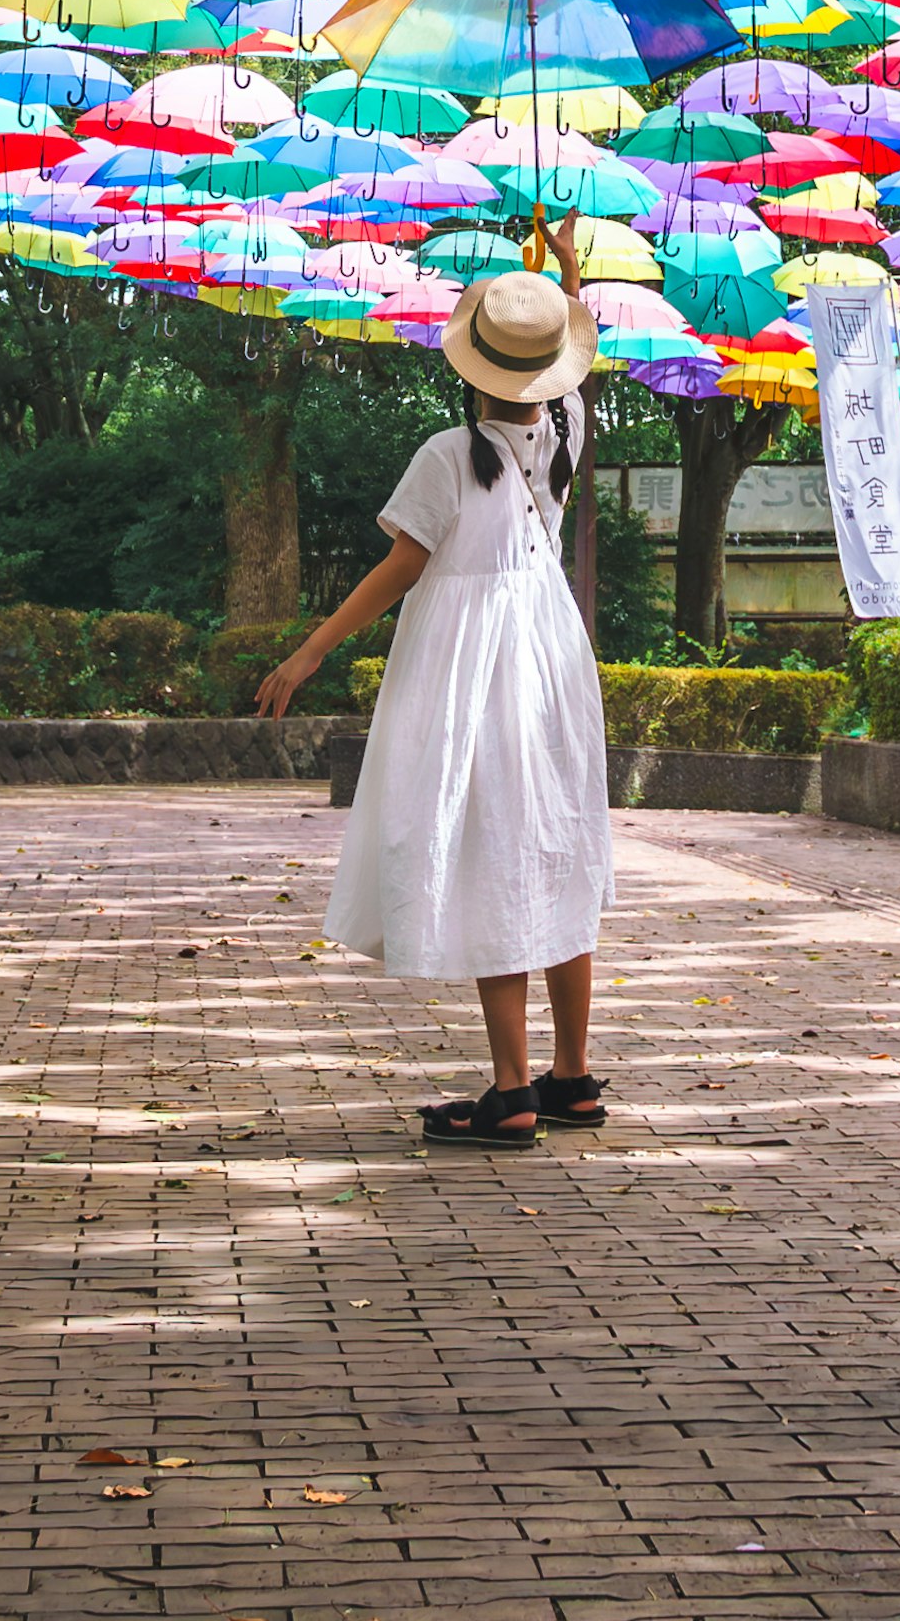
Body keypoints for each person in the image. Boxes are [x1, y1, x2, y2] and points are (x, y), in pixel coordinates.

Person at [256, 261, 613, 1147]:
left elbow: (400, 569)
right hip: (554, 665)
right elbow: (577, 377)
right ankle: (570, 1077)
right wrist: (566, 279)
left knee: (495, 856)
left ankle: (511, 1090)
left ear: (469, 367)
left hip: (475, 670)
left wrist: (307, 653)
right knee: (556, 856)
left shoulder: (450, 455)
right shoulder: (564, 439)